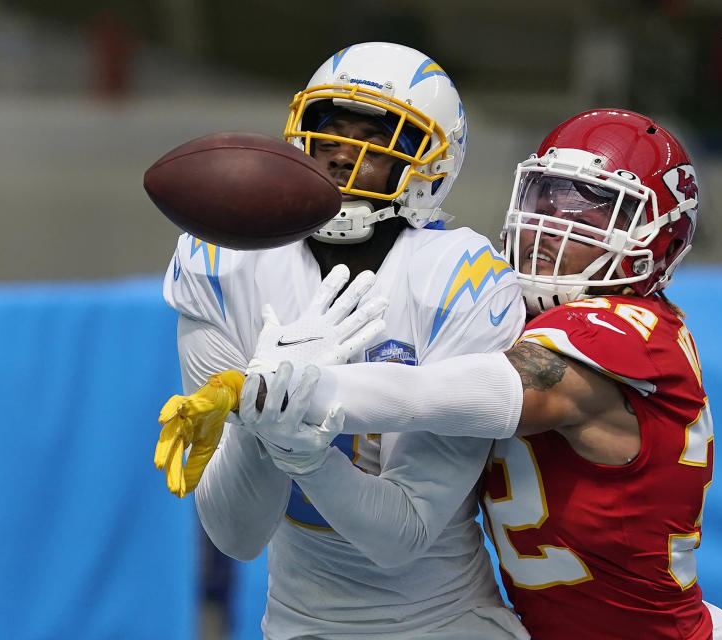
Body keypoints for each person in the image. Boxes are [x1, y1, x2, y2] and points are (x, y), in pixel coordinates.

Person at [243, 109, 722, 639]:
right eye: (546, 199)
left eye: (589, 213)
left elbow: (488, 392)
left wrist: (308, 387)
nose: (548, 227)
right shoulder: (525, 314)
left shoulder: (623, 330)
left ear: (656, 243)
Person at [156, 42, 529, 639]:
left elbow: (401, 536)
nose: (339, 161)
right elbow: (237, 533)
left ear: (424, 168)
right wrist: (262, 421)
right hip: (296, 624)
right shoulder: (222, 261)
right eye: (328, 137)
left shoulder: (459, 278)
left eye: (371, 143)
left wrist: (304, 450)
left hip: (445, 623)